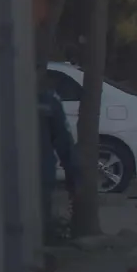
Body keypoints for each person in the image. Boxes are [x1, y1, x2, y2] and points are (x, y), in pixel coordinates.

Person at [39, 69, 76, 244]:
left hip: (40, 175)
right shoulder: (47, 101)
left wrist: (73, 177)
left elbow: (64, 142)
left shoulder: (47, 102)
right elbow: (64, 142)